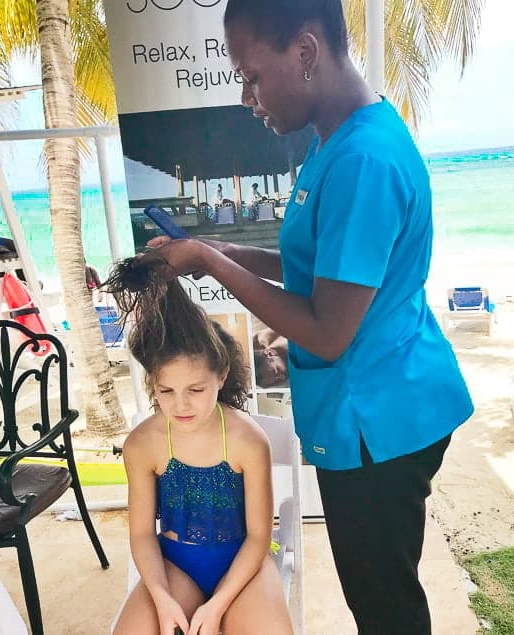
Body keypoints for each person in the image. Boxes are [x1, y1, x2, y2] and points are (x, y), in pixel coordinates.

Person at [139, 1, 474, 633]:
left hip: (379, 420)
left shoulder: (361, 161)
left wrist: (212, 263)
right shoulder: (338, 141)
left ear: (306, 52)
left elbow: (327, 326)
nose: (246, 96)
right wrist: (218, 251)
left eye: (252, 75)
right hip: (377, 397)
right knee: (380, 593)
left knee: (385, 606)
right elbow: (319, 266)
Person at [106, 257, 292, 635]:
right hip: (174, 567)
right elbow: (142, 533)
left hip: (244, 565)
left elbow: (259, 536)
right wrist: (161, 596)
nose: (181, 405)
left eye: (195, 390)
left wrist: (217, 606)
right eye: (165, 391)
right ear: (152, 386)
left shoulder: (247, 440)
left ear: (221, 377)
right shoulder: (142, 443)